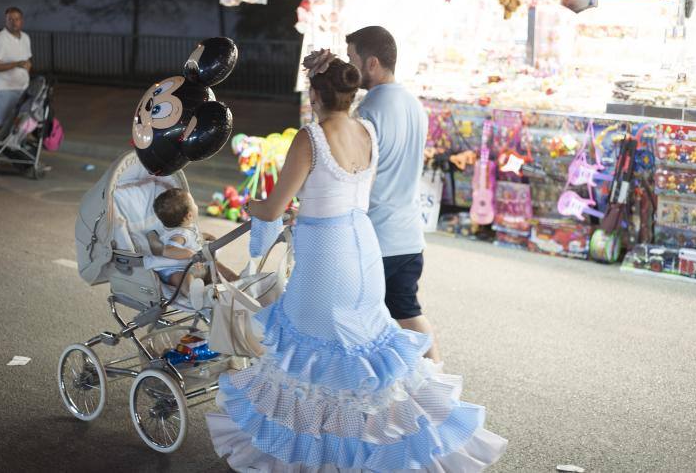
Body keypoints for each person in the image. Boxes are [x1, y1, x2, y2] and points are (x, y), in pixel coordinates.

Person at [206, 51, 506, 471]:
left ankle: (322, 454)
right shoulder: (366, 130)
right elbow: (340, 193)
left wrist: (254, 207)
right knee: (363, 350)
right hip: (363, 248)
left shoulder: (310, 136)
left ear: (314, 92)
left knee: (313, 358)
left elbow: (274, 208)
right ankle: (382, 444)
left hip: (327, 255)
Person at [346, 25, 441, 362]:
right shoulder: (414, 104)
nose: (348, 68)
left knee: (354, 318)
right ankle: (438, 382)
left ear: (371, 63)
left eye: (351, 59)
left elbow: (358, 175)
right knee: (408, 312)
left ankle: (368, 392)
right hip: (408, 234)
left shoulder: (369, 111)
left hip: (376, 235)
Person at [146, 188, 238, 302]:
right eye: (194, 203)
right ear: (189, 215)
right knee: (181, 278)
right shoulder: (178, 235)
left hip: (197, 266)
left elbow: (195, 236)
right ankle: (192, 294)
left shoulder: (189, 227)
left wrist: (206, 236)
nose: (196, 205)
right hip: (178, 268)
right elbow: (168, 250)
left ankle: (236, 280)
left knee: (216, 265)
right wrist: (189, 254)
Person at [0, 6, 32, 132]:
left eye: (17, 19)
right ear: (5, 21)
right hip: (4, 89)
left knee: (18, 122)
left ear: (21, 20)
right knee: (1, 123)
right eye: (10, 19)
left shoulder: (25, 37)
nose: (14, 22)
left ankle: (9, 149)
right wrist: (16, 64)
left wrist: (28, 67)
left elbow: (27, 60)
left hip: (23, 87)